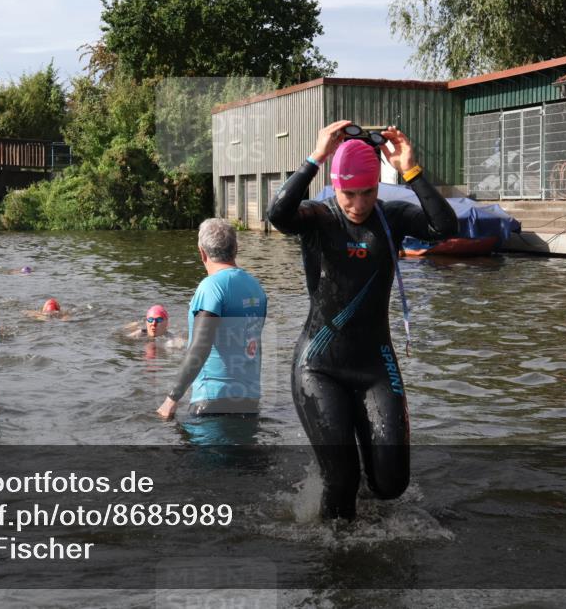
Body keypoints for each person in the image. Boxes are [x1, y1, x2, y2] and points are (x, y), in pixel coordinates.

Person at [266, 121, 457, 521]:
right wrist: (316, 157)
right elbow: (278, 214)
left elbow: (444, 227)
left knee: (391, 485)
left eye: (367, 192)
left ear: (377, 187)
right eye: (348, 193)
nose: (357, 203)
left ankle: (366, 510)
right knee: (342, 479)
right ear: (334, 186)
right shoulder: (319, 218)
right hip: (319, 367)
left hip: (374, 365)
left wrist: (411, 170)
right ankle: (336, 545)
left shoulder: (392, 218)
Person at [156, 219, 267, 419]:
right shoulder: (256, 287)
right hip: (249, 399)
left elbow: (200, 345)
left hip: (213, 400)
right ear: (236, 248)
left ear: (202, 253)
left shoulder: (211, 287)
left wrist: (172, 398)